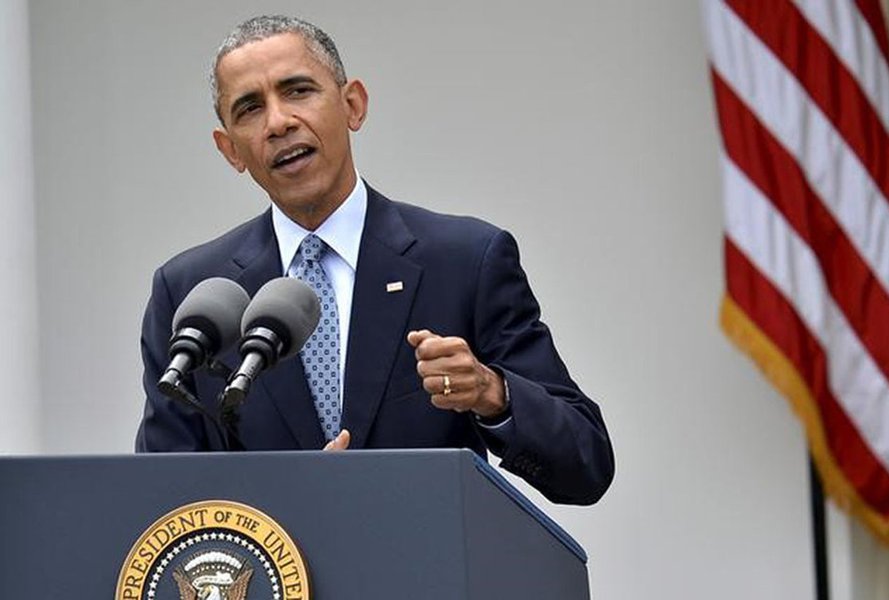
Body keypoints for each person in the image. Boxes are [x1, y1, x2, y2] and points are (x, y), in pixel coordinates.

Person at [136, 15, 613, 505]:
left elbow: (586, 462)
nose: (278, 122)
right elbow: (161, 500)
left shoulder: (464, 260)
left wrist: (493, 394)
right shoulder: (193, 294)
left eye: (297, 91)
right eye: (251, 108)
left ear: (353, 106)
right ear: (230, 149)